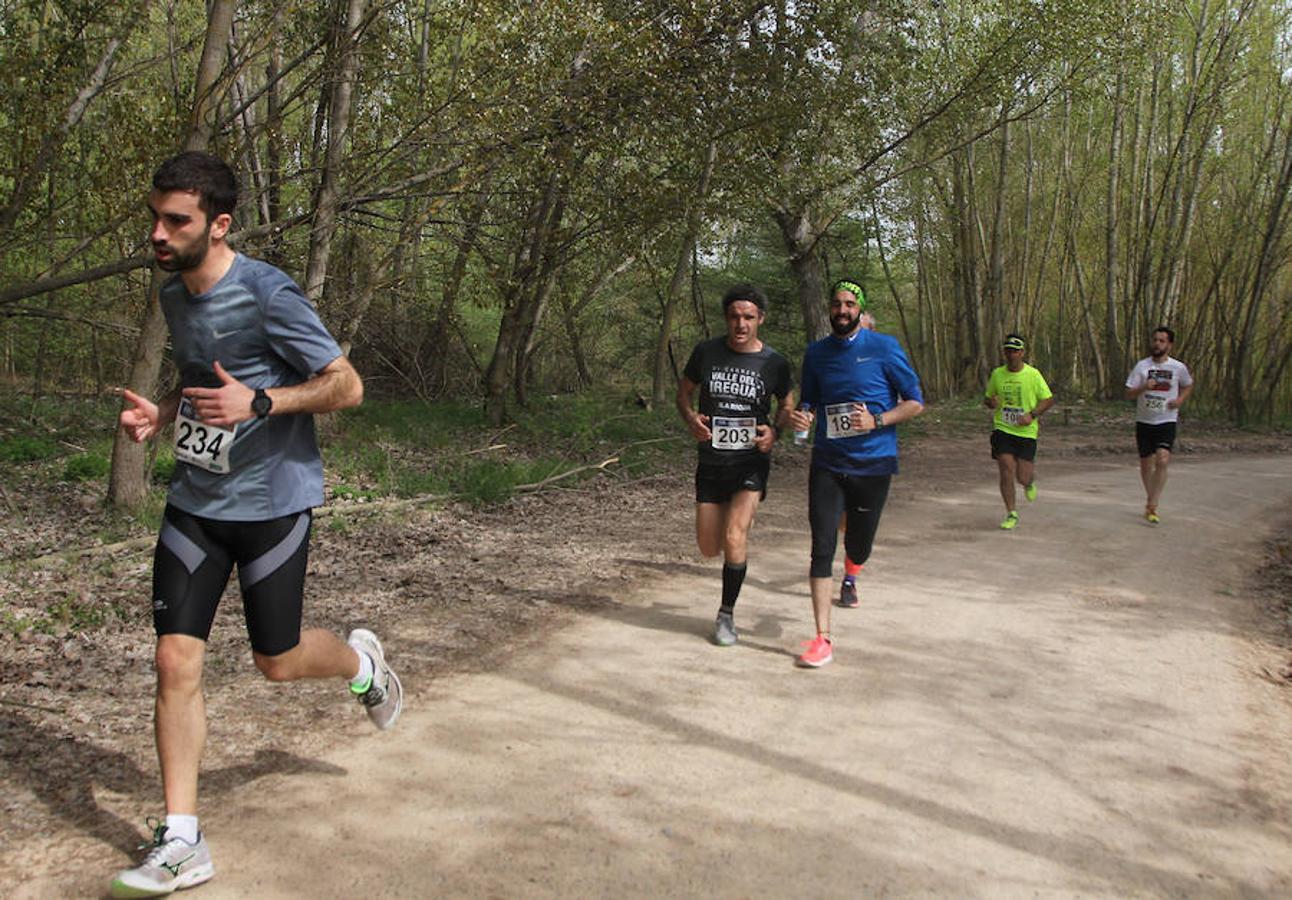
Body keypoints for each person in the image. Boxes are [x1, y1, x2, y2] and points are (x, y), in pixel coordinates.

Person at [111, 152, 402, 898]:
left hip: (273, 505)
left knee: (275, 661)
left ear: (219, 223)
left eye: (176, 220)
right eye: (155, 216)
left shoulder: (269, 292)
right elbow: (203, 378)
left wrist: (264, 404)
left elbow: (348, 384)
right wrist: (167, 411)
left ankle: (363, 666)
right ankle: (182, 839)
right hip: (196, 504)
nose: (159, 232)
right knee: (175, 660)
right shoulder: (177, 297)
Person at [787, 279, 924, 667]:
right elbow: (811, 398)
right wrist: (805, 414)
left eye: (849, 304)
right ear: (829, 310)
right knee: (821, 545)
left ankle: (852, 571)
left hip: (874, 463)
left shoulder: (884, 348)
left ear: (860, 311)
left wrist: (877, 420)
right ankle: (821, 638)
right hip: (828, 462)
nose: (842, 311)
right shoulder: (816, 353)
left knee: (859, 544)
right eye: (836, 304)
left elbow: (915, 402)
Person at [677, 283, 793, 647]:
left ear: (760, 319)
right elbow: (684, 393)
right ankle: (734, 526)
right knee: (709, 547)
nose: (740, 324)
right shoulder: (706, 352)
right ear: (726, 319)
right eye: (734, 317)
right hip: (712, 461)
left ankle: (726, 614)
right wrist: (691, 418)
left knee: (734, 537)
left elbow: (787, 404)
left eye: (748, 317)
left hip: (750, 462)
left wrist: (774, 432)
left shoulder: (774, 362)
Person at [984, 334, 1054, 530]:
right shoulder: (997, 374)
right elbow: (987, 398)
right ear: (1004, 352)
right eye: (1008, 350)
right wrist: (992, 402)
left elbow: (1048, 399)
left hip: (1026, 431)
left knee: (1022, 476)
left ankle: (1029, 483)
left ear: (1022, 353)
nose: (1011, 354)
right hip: (1003, 428)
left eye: (1015, 351)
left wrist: (1032, 415)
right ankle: (1011, 512)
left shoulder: (1033, 374)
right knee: (1006, 468)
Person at [1125, 326, 1194, 524]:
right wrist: (1143, 387)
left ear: (1169, 345)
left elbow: (1189, 384)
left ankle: (1153, 503)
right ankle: (1150, 499)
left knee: (1163, 460)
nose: (1157, 344)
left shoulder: (1178, 368)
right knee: (1146, 463)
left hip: (1166, 420)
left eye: (1162, 341)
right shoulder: (1142, 366)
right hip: (1145, 420)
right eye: (1155, 340)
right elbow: (1128, 393)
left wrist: (1180, 400)